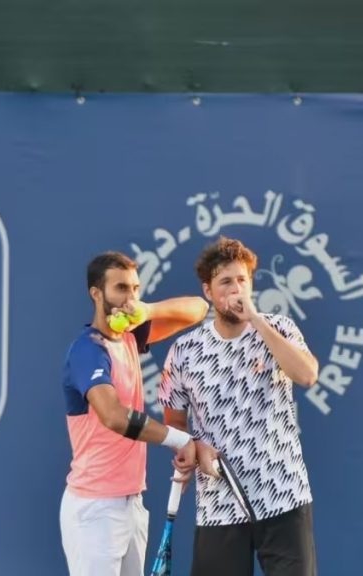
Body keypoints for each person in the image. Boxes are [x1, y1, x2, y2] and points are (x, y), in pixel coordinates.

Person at [160, 237, 321, 576]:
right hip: (219, 504)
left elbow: (306, 375)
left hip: (283, 495)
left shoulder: (279, 328)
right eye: (226, 282)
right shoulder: (185, 351)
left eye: (243, 280)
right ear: (208, 291)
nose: (236, 290)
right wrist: (192, 446)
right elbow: (175, 423)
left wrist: (258, 322)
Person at [60, 250, 214, 576]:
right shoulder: (88, 350)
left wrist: (148, 311)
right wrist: (178, 438)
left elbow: (199, 309)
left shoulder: (130, 337)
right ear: (96, 293)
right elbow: (114, 417)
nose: (129, 298)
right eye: (120, 289)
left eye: (135, 288)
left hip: (133, 505)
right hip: (95, 510)